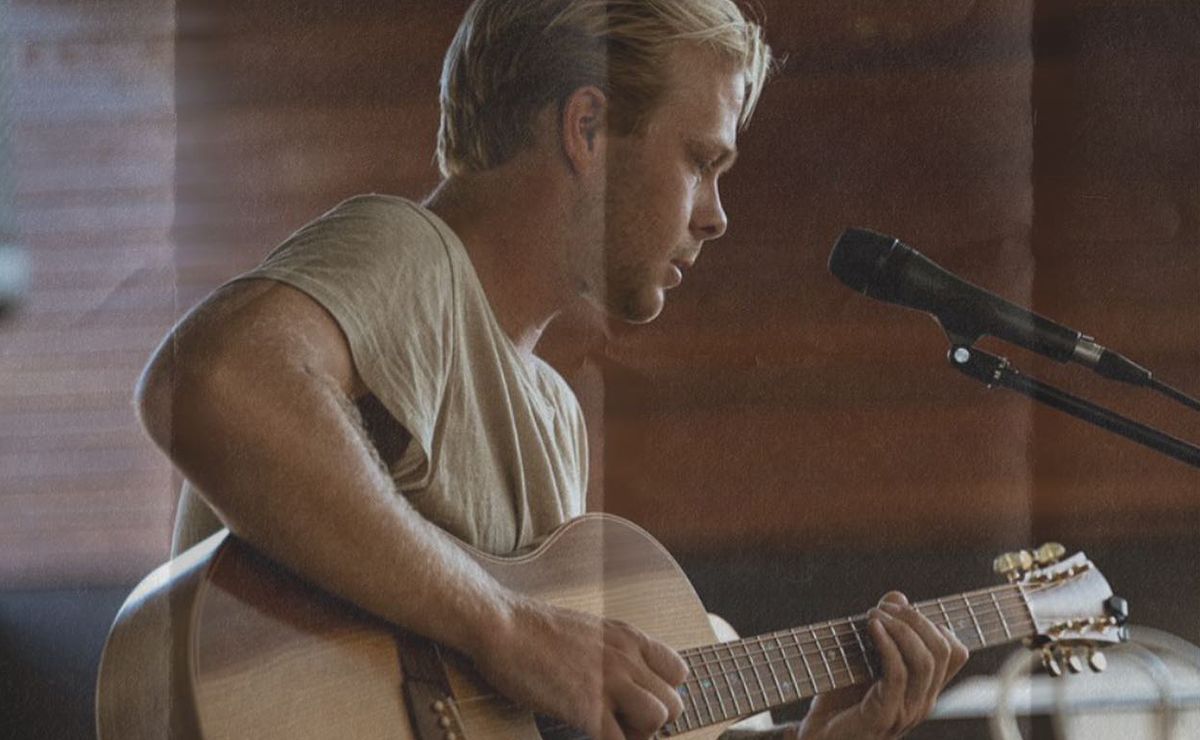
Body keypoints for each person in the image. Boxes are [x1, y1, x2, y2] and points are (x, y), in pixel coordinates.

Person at [135, 1, 968, 738]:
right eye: (702, 161)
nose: (716, 217)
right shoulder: (413, 258)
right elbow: (208, 381)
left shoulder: (552, 415)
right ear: (588, 128)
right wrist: (507, 628)